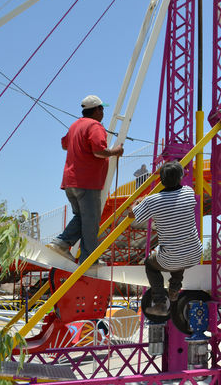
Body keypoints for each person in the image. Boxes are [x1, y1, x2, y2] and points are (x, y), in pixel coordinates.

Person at [47, 95, 123, 265]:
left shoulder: (75, 125)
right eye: (102, 108)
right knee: (90, 222)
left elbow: (64, 144)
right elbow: (98, 151)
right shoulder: (95, 126)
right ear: (97, 110)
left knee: (82, 217)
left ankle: (62, 243)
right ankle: (88, 259)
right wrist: (115, 151)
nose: (103, 112)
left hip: (70, 181)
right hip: (87, 181)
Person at [128, 161, 202, 315]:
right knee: (179, 248)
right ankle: (174, 289)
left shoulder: (152, 201)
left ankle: (160, 300)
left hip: (172, 258)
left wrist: (137, 203)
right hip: (195, 254)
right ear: (181, 177)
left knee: (150, 263)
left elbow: (132, 215)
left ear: (160, 181)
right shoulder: (188, 192)